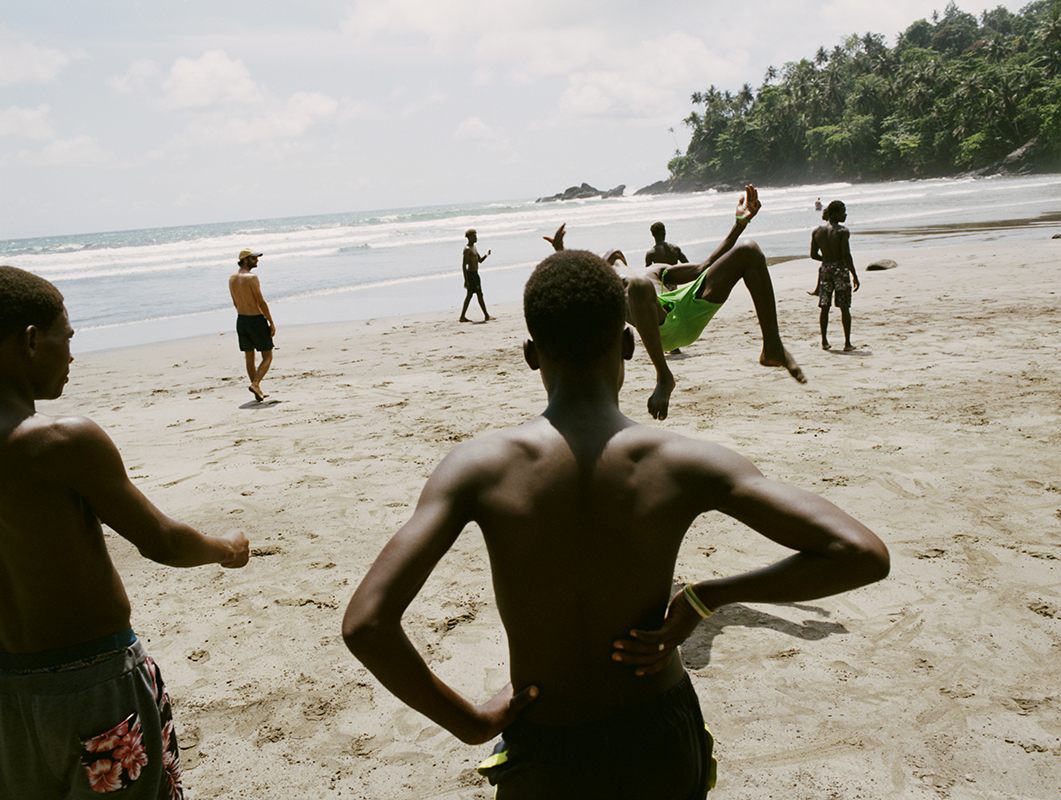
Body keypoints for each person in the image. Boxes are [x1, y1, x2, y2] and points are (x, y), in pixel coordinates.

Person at [342, 250, 889, 798]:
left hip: (545, 746)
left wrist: (471, 723)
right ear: (628, 343)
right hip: (654, 733)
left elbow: (367, 624)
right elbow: (860, 552)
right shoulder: (686, 462)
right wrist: (705, 598)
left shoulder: (477, 469)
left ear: (532, 355)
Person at [0, 266, 250, 800]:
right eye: (66, 337)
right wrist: (227, 547)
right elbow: (163, 541)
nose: (71, 354)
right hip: (93, 686)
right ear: (29, 341)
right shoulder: (60, 441)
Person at [545, 185, 805, 421]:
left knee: (749, 250)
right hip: (659, 329)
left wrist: (739, 225)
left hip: (688, 307)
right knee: (636, 285)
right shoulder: (614, 289)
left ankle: (773, 345)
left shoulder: (655, 270)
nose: (613, 258)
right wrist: (561, 254)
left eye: (614, 257)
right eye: (608, 260)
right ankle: (664, 375)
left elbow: (704, 267)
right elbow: (578, 281)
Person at [810, 201, 860, 351]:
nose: (845, 214)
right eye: (843, 211)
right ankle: (847, 343)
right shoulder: (842, 231)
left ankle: (824, 341)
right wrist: (854, 275)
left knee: (824, 306)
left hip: (825, 270)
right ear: (834, 214)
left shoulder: (817, 231)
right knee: (844, 307)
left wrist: (826, 260)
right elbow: (846, 255)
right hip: (840, 270)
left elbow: (813, 255)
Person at [228, 249, 276, 401]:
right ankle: (255, 384)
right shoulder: (252, 278)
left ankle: (257, 391)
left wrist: (243, 316)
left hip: (241, 320)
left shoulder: (232, 278)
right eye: (254, 258)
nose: (257, 260)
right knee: (267, 356)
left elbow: (235, 302)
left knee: (249, 356)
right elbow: (261, 302)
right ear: (245, 260)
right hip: (256, 320)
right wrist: (271, 321)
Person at [459, 229, 493, 323]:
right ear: (469, 237)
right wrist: (466, 280)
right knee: (476, 295)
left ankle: (463, 317)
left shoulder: (474, 247)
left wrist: (487, 255)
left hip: (475, 274)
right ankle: (486, 315)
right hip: (471, 275)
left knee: (473, 295)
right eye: (474, 236)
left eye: (476, 236)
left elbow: (480, 260)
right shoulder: (467, 249)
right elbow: (463, 265)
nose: (476, 237)